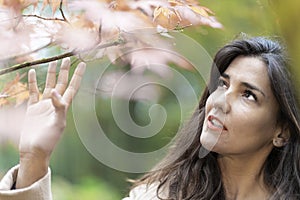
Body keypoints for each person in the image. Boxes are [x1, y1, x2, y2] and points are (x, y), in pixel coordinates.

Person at [0, 36, 299, 200]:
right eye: (222, 84)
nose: (220, 102)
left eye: (248, 95)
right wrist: (34, 160)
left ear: (282, 131)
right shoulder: (159, 195)